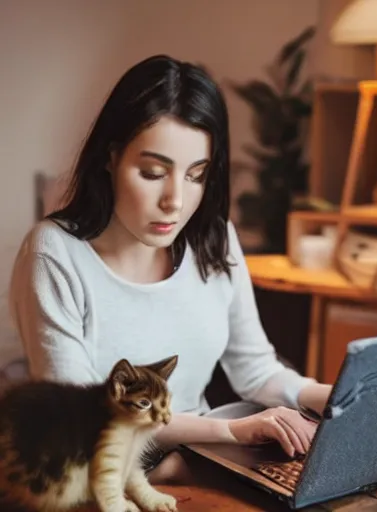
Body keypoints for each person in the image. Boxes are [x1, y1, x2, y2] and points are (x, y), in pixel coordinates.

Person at [8, 54, 332, 483]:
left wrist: (327, 397)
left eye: (196, 175)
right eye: (153, 172)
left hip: (197, 458)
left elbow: (254, 368)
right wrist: (228, 433)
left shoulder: (213, 238)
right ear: (110, 158)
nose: (175, 201)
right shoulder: (55, 253)